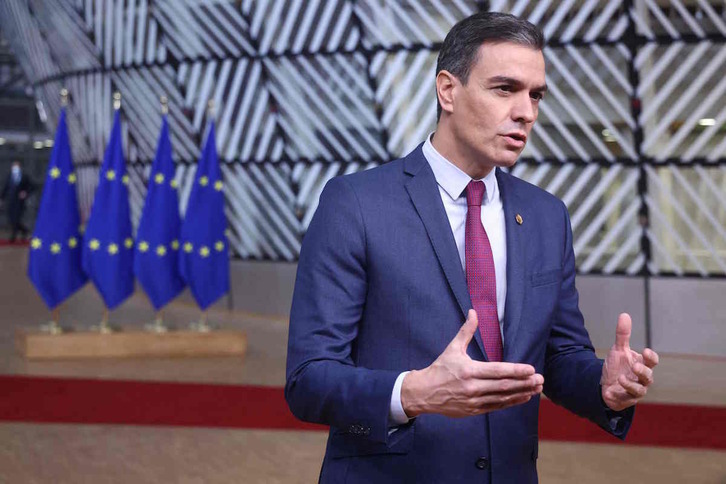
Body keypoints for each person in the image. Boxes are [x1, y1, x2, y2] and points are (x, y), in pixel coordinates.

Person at [286, 12, 659, 483]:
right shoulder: (355, 204)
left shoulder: (547, 216)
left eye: (535, 94)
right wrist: (414, 393)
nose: (527, 111)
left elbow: (558, 358)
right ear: (448, 91)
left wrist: (604, 385)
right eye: (505, 89)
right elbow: (308, 380)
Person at [1, 160, 33, 242]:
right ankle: (25, 231)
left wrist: (25, 193)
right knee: (12, 219)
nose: (15, 168)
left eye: (17, 166)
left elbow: (31, 187)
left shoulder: (24, 177)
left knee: (16, 218)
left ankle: (13, 236)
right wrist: (1, 198)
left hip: (20, 202)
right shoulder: (9, 176)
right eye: (14, 166)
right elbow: (5, 188)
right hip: (11, 201)